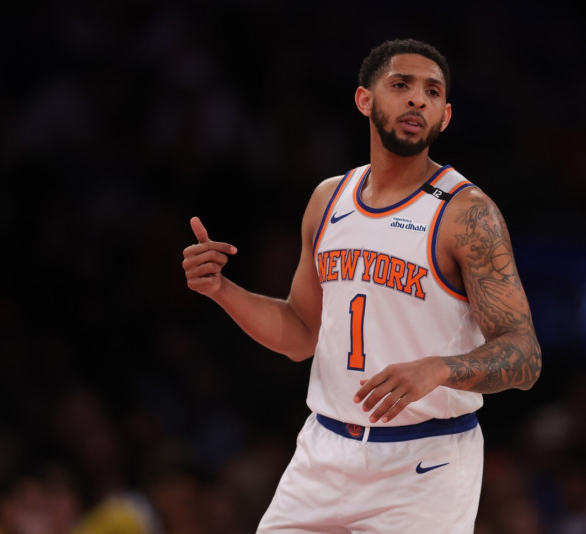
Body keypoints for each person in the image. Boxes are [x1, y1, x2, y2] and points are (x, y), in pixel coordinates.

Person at [182, 38, 542, 533]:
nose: (417, 99)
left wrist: (440, 368)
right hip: (323, 449)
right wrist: (222, 289)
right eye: (401, 85)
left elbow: (525, 355)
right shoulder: (328, 199)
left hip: (425, 461)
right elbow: (300, 334)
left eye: (432, 92)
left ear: (445, 116)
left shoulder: (467, 214)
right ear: (364, 100)